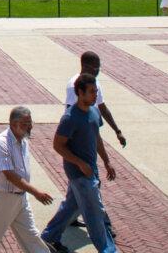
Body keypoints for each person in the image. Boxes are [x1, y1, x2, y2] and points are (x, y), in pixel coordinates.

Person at [40, 74, 117, 253]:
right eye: (91, 92)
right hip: (79, 173)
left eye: (96, 91)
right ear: (80, 93)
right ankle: (108, 250)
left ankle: (48, 238)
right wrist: (79, 163)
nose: (95, 95)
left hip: (91, 170)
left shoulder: (94, 112)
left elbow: (96, 137)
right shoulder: (70, 118)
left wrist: (106, 161)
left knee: (71, 207)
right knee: (95, 213)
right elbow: (58, 145)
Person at [0, 106, 54, 253]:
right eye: (25, 123)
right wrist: (36, 192)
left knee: (32, 236)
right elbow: (10, 175)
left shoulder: (23, 140)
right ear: (13, 124)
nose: (29, 126)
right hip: (2, 200)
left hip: (21, 198)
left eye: (30, 122)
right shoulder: (0, 143)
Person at [65, 52, 126, 148]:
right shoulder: (74, 85)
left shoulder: (94, 82)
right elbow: (70, 111)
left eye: (99, 68)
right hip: (78, 136)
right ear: (85, 67)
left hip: (90, 131)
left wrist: (117, 131)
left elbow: (102, 107)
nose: (98, 71)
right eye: (95, 68)